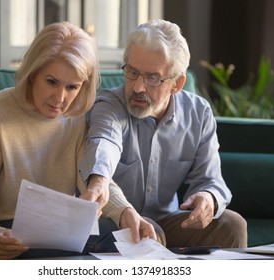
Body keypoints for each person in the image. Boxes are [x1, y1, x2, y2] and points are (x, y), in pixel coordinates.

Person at [0, 21, 156, 260]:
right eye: (51, 82)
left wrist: (125, 212)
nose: (60, 98)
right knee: (105, 245)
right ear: (32, 73)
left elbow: (93, 181)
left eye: (72, 87)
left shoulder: (75, 118)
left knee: (132, 234)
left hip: (54, 228)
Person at [80, 19, 248, 248]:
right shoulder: (109, 105)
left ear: (177, 84)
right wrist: (98, 181)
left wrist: (208, 198)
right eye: (132, 72)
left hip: (169, 223)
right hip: (115, 222)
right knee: (146, 232)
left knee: (232, 224)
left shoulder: (198, 114)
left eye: (152, 78)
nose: (138, 87)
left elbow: (210, 179)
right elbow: (104, 142)